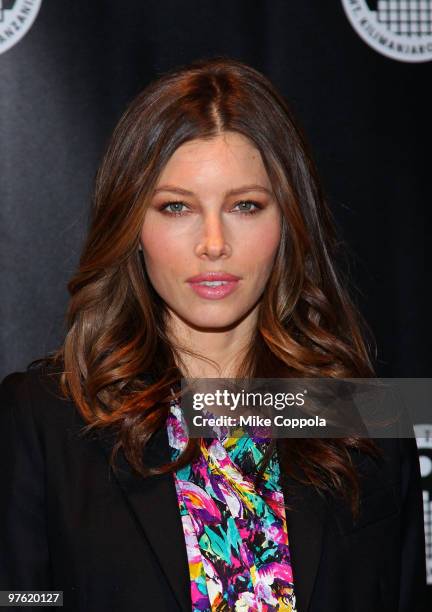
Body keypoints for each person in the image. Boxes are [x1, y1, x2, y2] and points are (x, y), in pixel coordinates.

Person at [0, 57, 427, 612]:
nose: (213, 242)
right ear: (132, 224)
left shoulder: (365, 416)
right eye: (176, 207)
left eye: (245, 206)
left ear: (289, 222)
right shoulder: (44, 419)